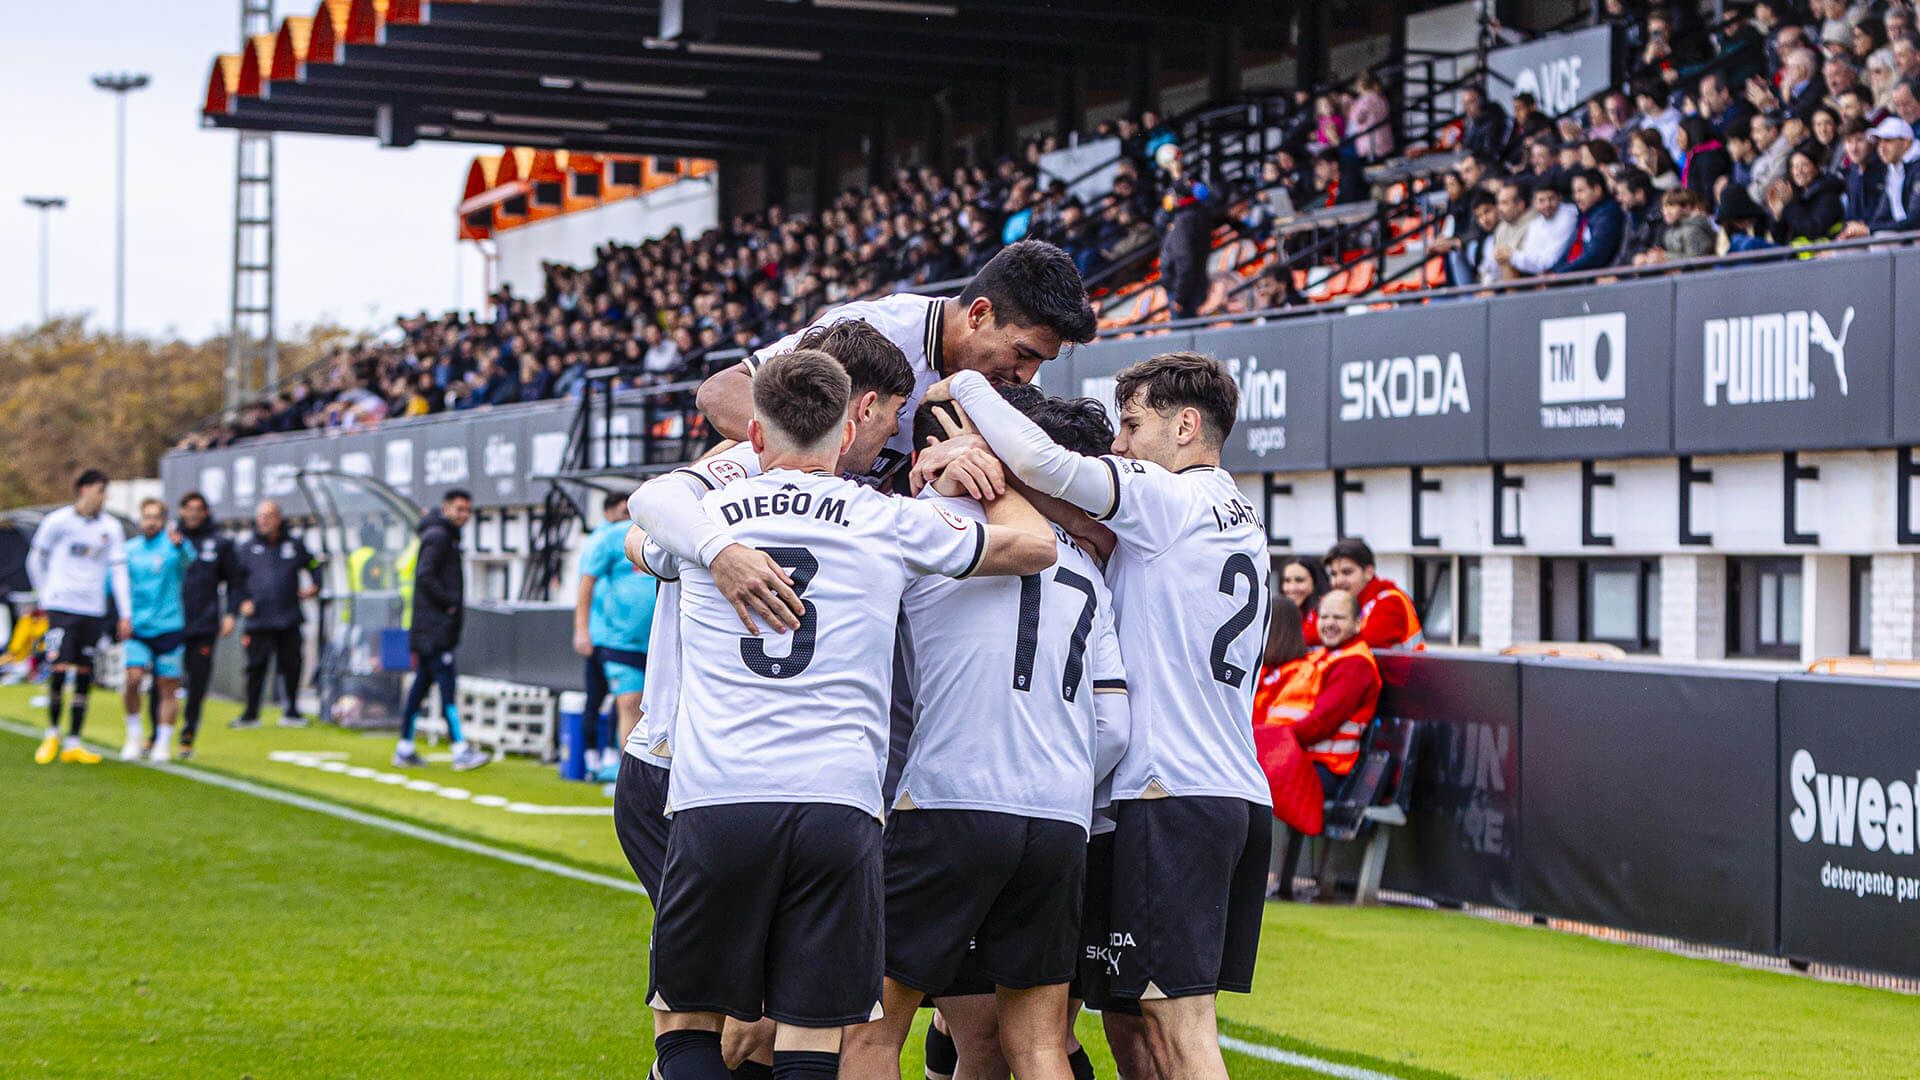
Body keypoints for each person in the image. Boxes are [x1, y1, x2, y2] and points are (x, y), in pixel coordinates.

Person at [639, 350, 1057, 1080]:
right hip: (840, 806)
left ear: (757, 439)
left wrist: (716, 547)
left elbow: (640, 522)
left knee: (687, 1034)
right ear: (847, 433)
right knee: (812, 1041)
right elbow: (1032, 548)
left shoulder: (704, 521)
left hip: (720, 797)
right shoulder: (886, 519)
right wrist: (980, 468)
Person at [933, 352, 1272, 1080]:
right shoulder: (1233, 514)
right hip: (1228, 789)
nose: (1120, 443)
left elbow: (1046, 462)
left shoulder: (1166, 497)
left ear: (1185, 426)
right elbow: (1090, 524)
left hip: (1169, 791)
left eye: (1133, 424)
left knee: (1180, 1028)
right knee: (1133, 1022)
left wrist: (965, 388)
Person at [841, 390, 1130, 1080]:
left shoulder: (920, 522)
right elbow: (1112, 727)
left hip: (951, 801)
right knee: (1035, 1043)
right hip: (1060, 818)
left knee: (871, 1034)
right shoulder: (1091, 565)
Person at [694, 239, 1097, 488]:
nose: (1025, 376)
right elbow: (719, 393)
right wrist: (820, 461)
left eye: (1039, 362)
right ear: (979, 314)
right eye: (1023, 354)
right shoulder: (872, 331)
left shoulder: (1002, 387)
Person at [1260, 590, 1384, 897]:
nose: (1329, 623)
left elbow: (1321, 723)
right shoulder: (1321, 657)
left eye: (1339, 617)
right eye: (1325, 616)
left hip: (1330, 768)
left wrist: (1274, 741)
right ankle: (1279, 884)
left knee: (1255, 786)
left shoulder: (1355, 665)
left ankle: (1280, 884)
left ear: (1358, 622)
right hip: (1302, 757)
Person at [27, 468, 131, 765]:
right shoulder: (57, 522)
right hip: (61, 606)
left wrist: (125, 613)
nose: (103, 497)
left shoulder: (110, 527)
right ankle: (52, 734)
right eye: (100, 490)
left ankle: (74, 741)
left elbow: (119, 570)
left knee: (85, 672)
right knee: (59, 667)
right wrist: (44, 593)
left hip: (92, 609)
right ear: (84, 490)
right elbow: (36, 558)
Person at [392, 490, 490, 772]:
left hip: (430, 627)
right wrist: (449, 604)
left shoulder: (440, 535)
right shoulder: (439, 536)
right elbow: (425, 575)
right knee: (447, 687)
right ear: (446, 508)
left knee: (421, 686)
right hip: (434, 629)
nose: (464, 515)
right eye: (459, 509)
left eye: (467, 510)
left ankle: (404, 747)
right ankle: (460, 748)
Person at [573, 487, 656, 783]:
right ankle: (627, 778)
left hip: (659, 642)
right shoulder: (610, 538)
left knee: (656, 709)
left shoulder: (665, 532)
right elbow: (587, 581)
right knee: (628, 703)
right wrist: (581, 629)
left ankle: (648, 774)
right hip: (619, 639)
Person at [230, 500, 322, 729]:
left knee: (292, 666)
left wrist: (315, 586)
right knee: (255, 667)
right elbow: (235, 580)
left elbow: (314, 565)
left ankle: (291, 710)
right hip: (259, 620)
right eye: (260, 515)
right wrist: (242, 602)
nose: (263, 520)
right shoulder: (247, 548)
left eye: (269, 515)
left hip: (288, 617)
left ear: (279, 518)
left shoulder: (294, 544)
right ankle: (251, 713)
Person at [120, 498, 190, 762]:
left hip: (169, 626)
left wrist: (180, 546)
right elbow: (115, 583)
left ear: (163, 520)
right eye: (146, 516)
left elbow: (189, 561)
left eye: (155, 517)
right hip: (138, 626)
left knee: (167, 686)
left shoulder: (174, 546)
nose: (150, 522)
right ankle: (134, 734)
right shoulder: (130, 550)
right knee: (133, 679)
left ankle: (163, 741)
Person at [173, 492, 241, 760]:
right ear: (181, 511)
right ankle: (156, 732)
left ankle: (188, 732)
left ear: (205, 512)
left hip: (203, 622)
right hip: (170, 622)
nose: (193, 514)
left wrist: (231, 613)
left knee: (197, 681)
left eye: (198, 509)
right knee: (164, 679)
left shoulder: (220, 543)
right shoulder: (170, 541)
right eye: (188, 508)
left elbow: (236, 580)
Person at [1323, 538, 1424, 651]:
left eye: (1347, 572)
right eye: (1333, 574)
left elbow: (1361, 647)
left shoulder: (1390, 601)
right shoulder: (1352, 602)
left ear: (1368, 573)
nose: (1338, 581)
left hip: (1405, 669)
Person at [1551, 169, 1627, 273]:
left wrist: (1559, 274)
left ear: (1597, 190)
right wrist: (1552, 272)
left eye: (1580, 191)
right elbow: (1570, 250)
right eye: (1574, 192)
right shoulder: (1586, 215)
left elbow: (1595, 255)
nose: (1576, 197)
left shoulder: (1608, 215)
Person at [1495, 181, 1577, 278]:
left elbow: (1549, 261)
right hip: (1539, 276)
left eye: (1551, 198)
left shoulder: (1567, 216)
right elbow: (1530, 255)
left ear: (1559, 198)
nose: (1547, 204)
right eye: (1541, 201)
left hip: (1563, 275)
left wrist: (1511, 256)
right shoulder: (1536, 224)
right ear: (1534, 203)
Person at [1768, 148, 1848, 242]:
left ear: (1817, 168)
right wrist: (1778, 216)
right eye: (1795, 167)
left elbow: (1813, 230)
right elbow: (1779, 239)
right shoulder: (1795, 197)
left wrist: (1790, 206)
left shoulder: (1828, 193)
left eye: (1804, 165)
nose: (1799, 171)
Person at [1277, 555, 1331, 648]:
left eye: (1299, 580)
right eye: (1287, 581)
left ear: (1315, 582)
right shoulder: (1276, 615)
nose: (1292, 588)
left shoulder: (1327, 612)